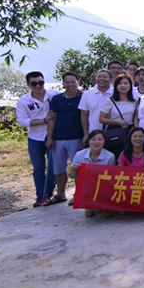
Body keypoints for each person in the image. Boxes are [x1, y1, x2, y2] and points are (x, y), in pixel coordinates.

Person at [16, 71, 60, 207]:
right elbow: (22, 121)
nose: (38, 86)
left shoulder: (54, 95)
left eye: (41, 82)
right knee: (38, 169)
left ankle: (49, 193)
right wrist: (44, 120)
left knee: (54, 167)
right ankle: (41, 196)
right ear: (28, 85)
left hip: (54, 135)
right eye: (34, 83)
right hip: (35, 138)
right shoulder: (24, 101)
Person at [44, 71, 87, 206]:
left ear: (78, 82)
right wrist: (49, 137)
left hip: (76, 138)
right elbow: (52, 118)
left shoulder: (84, 97)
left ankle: (77, 194)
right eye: (67, 82)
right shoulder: (56, 99)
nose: (70, 85)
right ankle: (60, 194)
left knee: (77, 167)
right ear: (63, 83)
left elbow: (85, 117)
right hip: (58, 138)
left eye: (73, 82)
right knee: (58, 168)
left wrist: (86, 135)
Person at [69, 130, 116, 218]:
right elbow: (72, 176)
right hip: (87, 186)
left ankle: (106, 205)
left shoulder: (110, 156)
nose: (96, 142)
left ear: (104, 141)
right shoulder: (79, 155)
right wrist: (74, 170)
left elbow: (112, 178)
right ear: (88, 141)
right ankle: (88, 204)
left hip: (103, 185)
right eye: (93, 139)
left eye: (100, 139)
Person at [99, 73, 137, 160]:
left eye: (126, 83)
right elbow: (101, 119)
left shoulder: (135, 101)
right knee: (114, 157)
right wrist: (118, 122)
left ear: (130, 86)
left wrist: (134, 128)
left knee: (128, 158)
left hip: (130, 131)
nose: (123, 86)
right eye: (120, 83)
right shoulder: (110, 101)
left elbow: (136, 117)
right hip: (114, 132)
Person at [79, 69, 113, 134]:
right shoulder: (87, 94)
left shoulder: (115, 93)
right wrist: (86, 133)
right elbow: (84, 115)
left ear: (111, 79)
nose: (102, 79)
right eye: (99, 77)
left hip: (112, 132)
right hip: (93, 133)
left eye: (105, 77)